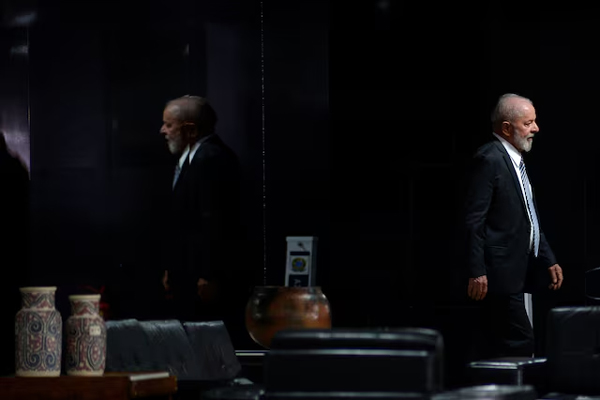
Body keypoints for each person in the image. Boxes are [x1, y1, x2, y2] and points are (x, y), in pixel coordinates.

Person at [462, 93, 563, 359]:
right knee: (520, 341)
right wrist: (476, 270)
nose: (536, 129)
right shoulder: (490, 158)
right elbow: (474, 219)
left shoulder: (514, 159)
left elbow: (528, 217)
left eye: (535, 122)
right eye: (528, 123)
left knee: (508, 343)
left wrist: (547, 257)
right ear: (507, 128)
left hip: (519, 272)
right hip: (497, 275)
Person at [158, 95, 247, 338]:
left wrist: (209, 274)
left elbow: (216, 223)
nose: (162, 130)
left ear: (191, 130)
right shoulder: (194, 158)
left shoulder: (212, 159)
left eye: (169, 125)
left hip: (203, 281)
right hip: (190, 276)